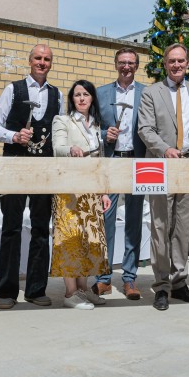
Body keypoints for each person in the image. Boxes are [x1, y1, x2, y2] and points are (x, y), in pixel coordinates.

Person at [137, 43, 189, 311]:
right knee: (160, 226)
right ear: (165, 63)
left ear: (188, 64)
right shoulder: (151, 92)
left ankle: (179, 281)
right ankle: (161, 285)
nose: (176, 65)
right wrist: (165, 149)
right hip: (159, 165)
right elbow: (145, 129)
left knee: (183, 226)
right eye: (172, 61)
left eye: (181, 60)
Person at [0, 44, 63, 309]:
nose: (42, 62)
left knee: (42, 229)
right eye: (38, 58)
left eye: (47, 59)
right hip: (15, 166)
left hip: (44, 170)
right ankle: (6, 291)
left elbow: (60, 132)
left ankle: (36, 289)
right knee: (11, 228)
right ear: (30, 61)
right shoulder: (13, 89)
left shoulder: (57, 94)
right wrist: (14, 136)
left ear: (51, 63)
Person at [50, 80, 112, 309]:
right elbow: (57, 148)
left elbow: (101, 162)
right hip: (69, 191)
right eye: (77, 95)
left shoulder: (96, 126)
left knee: (89, 241)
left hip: (91, 192)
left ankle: (84, 290)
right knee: (70, 240)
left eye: (86, 94)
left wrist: (104, 192)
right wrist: (71, 150)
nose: (82, 98)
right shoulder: (63, 120)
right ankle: (70, 293)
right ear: (72, 99)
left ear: (92, 98)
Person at [93, 48, 146, 300]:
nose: (126, 67)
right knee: (106, 220)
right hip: (111, 162)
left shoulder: (147, 93)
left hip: (137, 161)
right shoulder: (101, 93)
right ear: (115, 64)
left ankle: (129, 278)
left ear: (137, 66)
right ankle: (103, 278)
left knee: (134, 221)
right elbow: (89, 127)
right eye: (122, 63)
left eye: (131, 63)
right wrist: (105, 135)